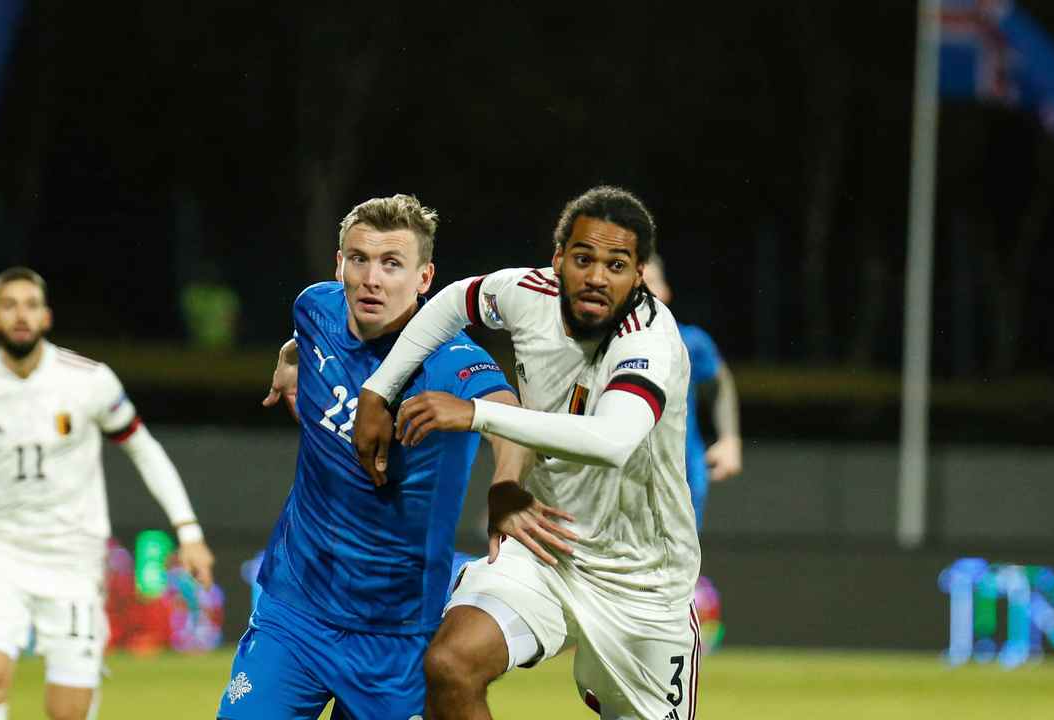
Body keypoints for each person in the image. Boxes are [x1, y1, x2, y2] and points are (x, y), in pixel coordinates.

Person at [217, 194, 573, 720]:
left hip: (394, 635)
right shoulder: (315, 308)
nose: (371, 279)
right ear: (339, 264)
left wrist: (505, 485)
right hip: (294, 613)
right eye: (358, 259)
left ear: (424, 278)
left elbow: (507, 416)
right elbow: (305, 336)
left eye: (391, 264)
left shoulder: (452, 359)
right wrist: (289, 359)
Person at [354, 186, 702, 720]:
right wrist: (379, 389)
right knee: (450, 665)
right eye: (583, 259)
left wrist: (475, 413)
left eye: (617, 264)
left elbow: (611, 441)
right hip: (543, 542)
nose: (597, 277)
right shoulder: (523, 292)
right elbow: (452, 302)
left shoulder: (649, 339)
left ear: (638, 276)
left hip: (641, 579)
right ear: (559, 259)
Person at [0, 266, 215, 720]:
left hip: (74, 561)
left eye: (31, 305)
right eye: (9, 306)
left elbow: (146, 451)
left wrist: (189, 530)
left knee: (67, 711)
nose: (20, 315)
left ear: (46, 317)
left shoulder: (89, 381)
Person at [641, 255, 742, 530]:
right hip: (619, 472)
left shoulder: (691, 342)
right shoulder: (597, 344)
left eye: (650, 282)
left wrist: (729, 439)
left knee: (677, 561)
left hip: (681, 471)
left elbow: (719, 381)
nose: (643, 292)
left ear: (665, 291)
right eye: (635, 284)